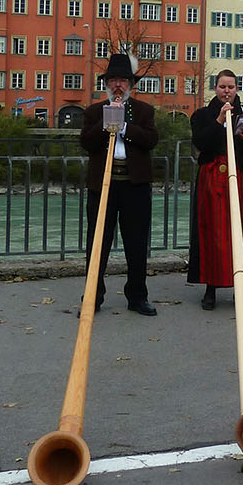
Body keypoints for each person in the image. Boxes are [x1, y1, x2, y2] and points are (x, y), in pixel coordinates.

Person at [79, 53, 159, 315]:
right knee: (97, 245)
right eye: (113, 80)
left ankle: (137, 297)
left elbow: (150, 141)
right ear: (106, 84)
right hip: (103, 186)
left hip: (134, 186)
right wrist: (107, 122)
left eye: (123, 80)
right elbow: (87, 144)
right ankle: (92, 298)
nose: (118, 85)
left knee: (136, 245)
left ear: (130, 85)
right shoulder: (93, 112)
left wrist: (123, 126)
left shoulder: (144, 111)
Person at [187, 69, 243, 310]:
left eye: (231, 87)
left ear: (237, 89)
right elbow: (201, 143)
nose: (227, 91)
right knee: (213, 233)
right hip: (214, 178)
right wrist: (220, 121)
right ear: (216, 88)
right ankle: (210, 288)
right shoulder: (202, 115)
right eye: (223, 87)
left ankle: (241, 287)